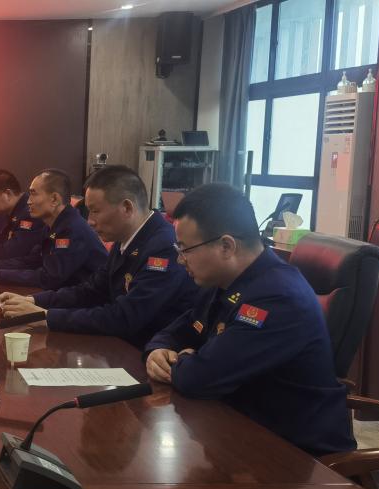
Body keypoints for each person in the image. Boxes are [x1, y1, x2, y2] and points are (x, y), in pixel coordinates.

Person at [143, 183, 354, 456]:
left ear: (226, 246)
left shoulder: (277, 298)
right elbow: (178, 330)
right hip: (238, 430)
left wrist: (185, 361)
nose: (180, 260)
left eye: (185, 249)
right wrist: (158, 350)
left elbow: (199, 378)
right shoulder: (224, 282)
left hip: (297, 456)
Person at [0, 165, 198, 348]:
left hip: (147, 352)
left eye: (95, 211)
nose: (90, 221)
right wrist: (33, 301)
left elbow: (124, 318)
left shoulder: (163, 247)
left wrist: (46, 316)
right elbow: (91, 290)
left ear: (127, 208)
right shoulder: (125, 238)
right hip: (119, 343)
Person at [0, 169, 107, 289]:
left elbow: (49, 278)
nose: (28, 201)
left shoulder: (72, 229)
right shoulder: (52, 225)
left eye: (34, 194)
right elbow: (33, 260)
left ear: (54, 199)